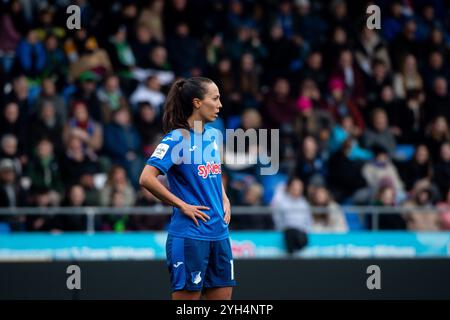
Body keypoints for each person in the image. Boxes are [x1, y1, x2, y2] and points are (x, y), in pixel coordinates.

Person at [139, 77, 235, 300]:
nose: (220, 104)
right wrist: (182, 205)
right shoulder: (176, 139)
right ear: (197, 103)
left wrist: (224, 197)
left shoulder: (212, 136)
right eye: (215, 98)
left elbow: (213, 173)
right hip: (191, 235)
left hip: (219, 234)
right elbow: (146, 178)